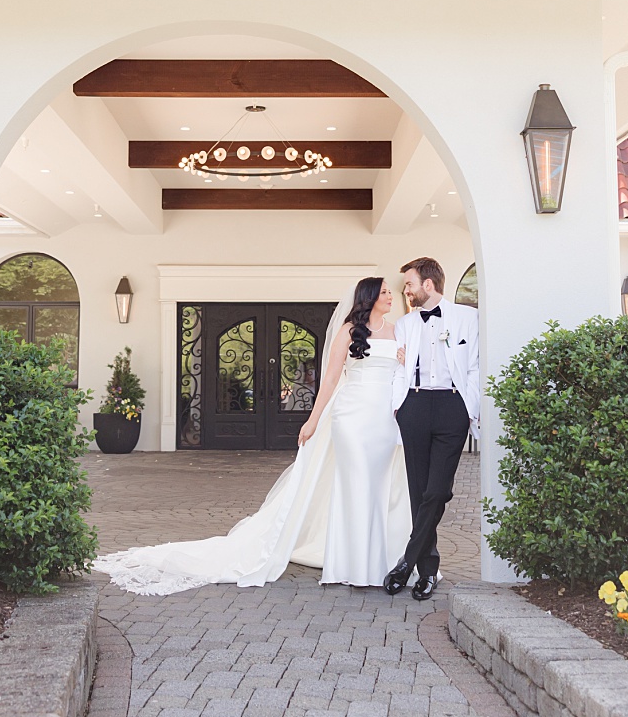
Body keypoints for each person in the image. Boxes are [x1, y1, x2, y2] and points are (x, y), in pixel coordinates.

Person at [92, 277, 411, 595]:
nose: (389, 296)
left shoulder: (398, 331)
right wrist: (312, 421)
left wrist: (406, 362)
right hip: (351, 418)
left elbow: (407, 375)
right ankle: (353, 565)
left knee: (382, 486)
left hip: (384, 421)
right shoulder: (348, 332)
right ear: (368, 297)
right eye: (383, 292)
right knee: (354, 485)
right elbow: (328, 381)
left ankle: (381, 560)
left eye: (389, 292)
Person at [383, 257, 482, 601]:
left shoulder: (469, 318)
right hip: (415, 407)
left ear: (428, 284)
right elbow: (400, 368)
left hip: (452, 407)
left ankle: (406, 563)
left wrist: (468, 410)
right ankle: (427, 571)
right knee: (418, 491)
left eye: (409, 284)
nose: (405, 291)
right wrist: (399, 407)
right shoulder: (405, 324)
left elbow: (475, 368)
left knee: (438, 491)